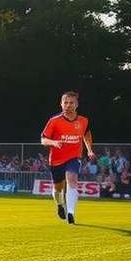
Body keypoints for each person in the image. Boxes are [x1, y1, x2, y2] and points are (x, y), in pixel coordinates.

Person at [40, 91, 95, 225]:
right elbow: (43, 139)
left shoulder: (83, 121)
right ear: (61, 104)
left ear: (77, 105)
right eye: (65, 102)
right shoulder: (54, 121)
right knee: (58, 188)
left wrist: (89, 150)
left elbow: (86, 135)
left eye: (71, 103)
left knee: (72, 180)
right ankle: (60, 204)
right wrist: (53, 142)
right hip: (56, 159)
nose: (68, 105)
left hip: (74, 157)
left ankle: (71, 213)